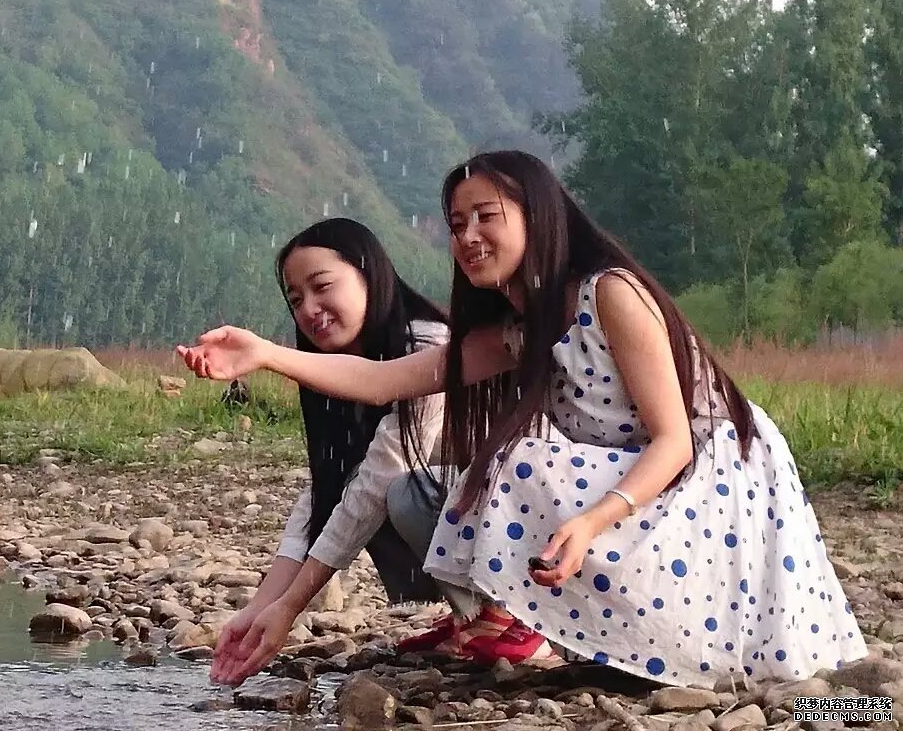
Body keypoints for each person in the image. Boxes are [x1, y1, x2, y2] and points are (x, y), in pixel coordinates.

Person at [180, 151, 866, 688]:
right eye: (456, 225)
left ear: (537, 216)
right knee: (716, 678)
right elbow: (385, 382)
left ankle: (857, 708)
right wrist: (264, 354)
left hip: (714, 482)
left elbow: (674, 441)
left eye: (486, 216)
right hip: (636, 484)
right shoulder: (519, 330)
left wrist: (591, 522)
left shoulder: (610, 294)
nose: (468, 236)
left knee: (788, 686)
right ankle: (553, 635)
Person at [209, 218, 507, 688]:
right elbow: (326, 492)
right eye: (295, 299)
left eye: (322, 286)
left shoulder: (428, 344)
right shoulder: (342, 368)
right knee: (360, 494)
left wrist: (289, 608)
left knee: (405, 494)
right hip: (480, 512)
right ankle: (472, 617)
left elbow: (379, 478)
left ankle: (513, 619)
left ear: (369, 274)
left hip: (525, 520)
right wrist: (259, 608)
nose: (310, 309)